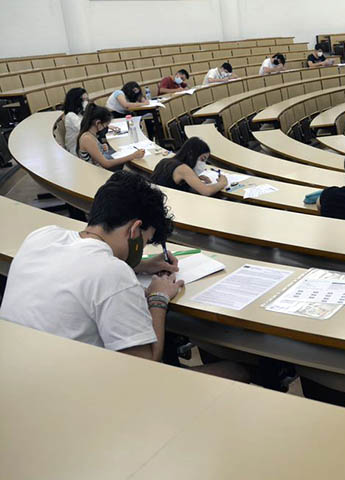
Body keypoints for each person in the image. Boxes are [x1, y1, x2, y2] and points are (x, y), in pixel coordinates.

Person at [0, 171, 182, 360]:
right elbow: (144, 363)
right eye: (145, 240)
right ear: (134, 230)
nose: (142, 246)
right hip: (62, 385)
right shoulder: (114, 274)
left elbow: (78, 265)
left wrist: (141, 265)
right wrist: (158, 298)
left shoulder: (42, 236)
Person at [76, 104, 144, 171]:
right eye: (105, 126)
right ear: (98, 123)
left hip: (99, 168)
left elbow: (93, 153)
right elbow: (106, 164)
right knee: (132, 167)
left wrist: (101, 147)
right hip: (97, 172)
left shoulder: (91, 134)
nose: (105, 128)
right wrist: (132, 156)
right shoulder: (87, 138)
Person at [150, 137, 227, 195]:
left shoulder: (165, 161)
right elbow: (206, 191)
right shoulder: (183, 169)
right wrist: (222, 183)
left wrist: (198, 182)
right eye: (202, 159)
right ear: (192, 155)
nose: (203, 163)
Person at [61, 87, 88, 153]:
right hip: (75, 148)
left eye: (87, 100)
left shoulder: (80, 113)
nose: (86, 102)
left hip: (84, 145)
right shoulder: (71, 116)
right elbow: (85, 129)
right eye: (83, 100)